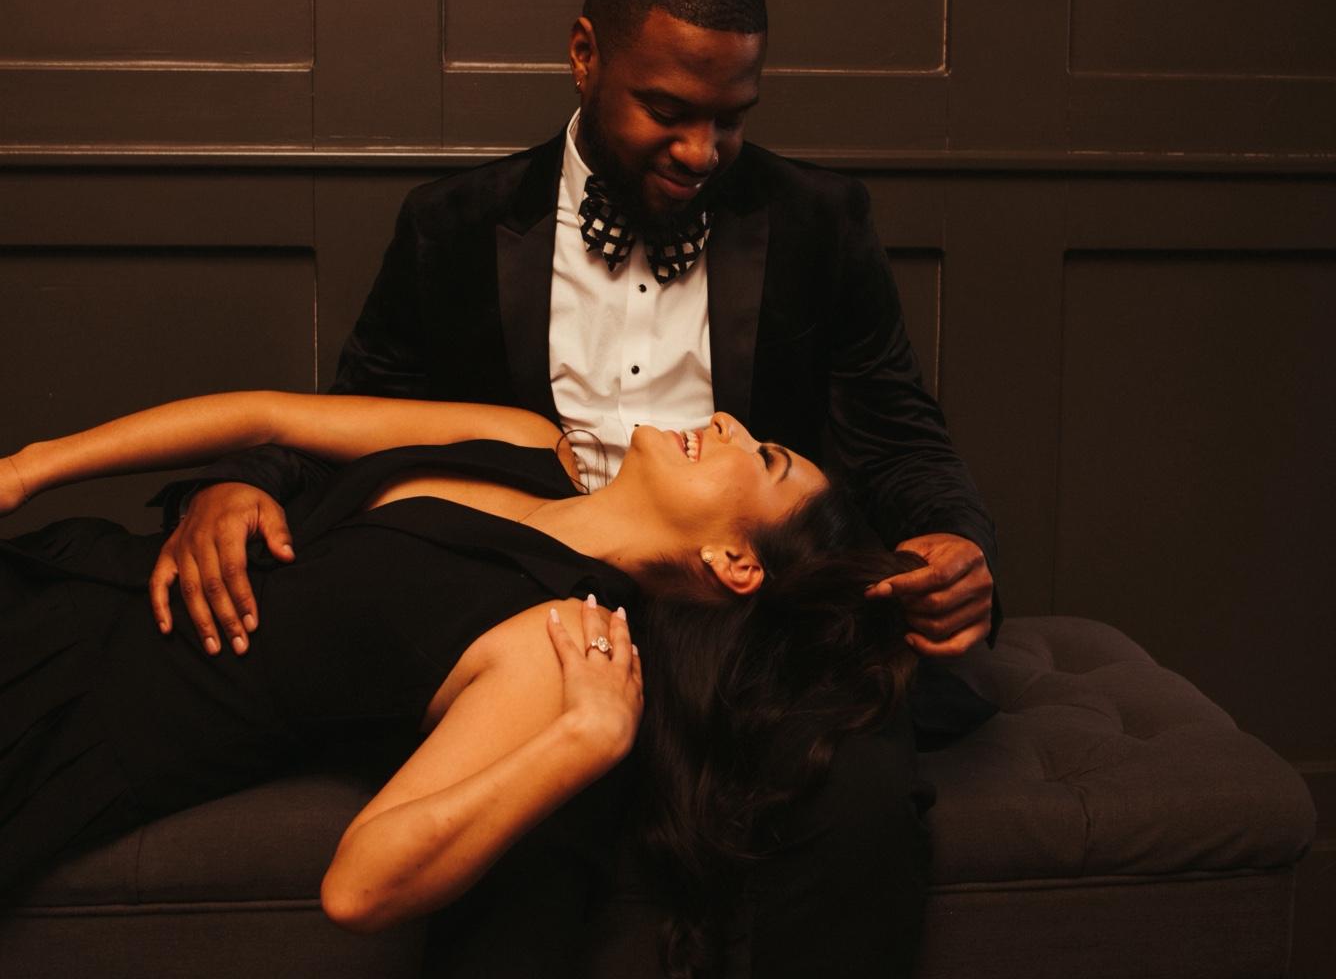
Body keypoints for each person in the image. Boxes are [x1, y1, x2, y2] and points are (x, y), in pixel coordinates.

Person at [139, 0, 999, 973]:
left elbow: (899, 432)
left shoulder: (820, 222)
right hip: (528, 607)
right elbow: (363, 400)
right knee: (529, 844)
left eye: (731, 120)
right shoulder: (455, 224)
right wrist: (237, 483)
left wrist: (954, 539)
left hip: (730, 614)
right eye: (668, 113)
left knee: (854, 794)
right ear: (585, 54)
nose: (702, 152)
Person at [1, 392, 920, 979]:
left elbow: (360, 888)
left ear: (734, 562)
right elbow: (270, 417)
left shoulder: (560, 641)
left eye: (763, 458)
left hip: (67, 713)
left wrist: (585, 740)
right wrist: (25, 469)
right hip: (62, 577)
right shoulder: (526, 440)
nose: (727, 422)